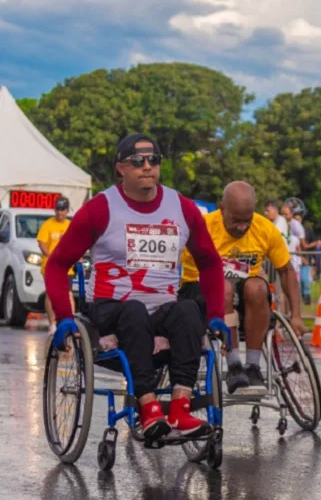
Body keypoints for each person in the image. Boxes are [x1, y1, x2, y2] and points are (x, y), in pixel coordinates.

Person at [44, 133, 225, 440]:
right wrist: (63, 317)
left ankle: (180, 409)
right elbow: (57, 264)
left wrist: (217, 313)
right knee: (134, 311)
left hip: (161, 312)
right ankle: (149, 408)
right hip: (111, 309)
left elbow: (210, 263)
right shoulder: (100, 208)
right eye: (137, 161)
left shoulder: (182, 207)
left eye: (153, 160)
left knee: (188, 310)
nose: (147, 167)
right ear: (120, 169)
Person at [179, 181, 303, 395]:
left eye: (247, 221)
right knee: (224, 287)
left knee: (256, 287)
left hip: (246, 295)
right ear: (222, 208)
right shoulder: (201, 226)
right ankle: (234, 364)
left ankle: (253, 366)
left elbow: (286, 270)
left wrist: (297, 315)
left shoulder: (264, 228)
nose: (242, 227)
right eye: (236, 221)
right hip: (201, 291)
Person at [38, 196, 74, 330]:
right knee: (51, 294)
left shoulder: (70, 225)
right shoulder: (48, 224)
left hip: (66, 266)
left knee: (68, 293)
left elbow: (76, 243)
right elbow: (42, 243)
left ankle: (70, 320)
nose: (60, 213)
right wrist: (50, 256)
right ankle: (52, 323)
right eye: (58, 209)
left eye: (63, 209)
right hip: (50, 265)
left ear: (67, 211)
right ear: (54, 210)